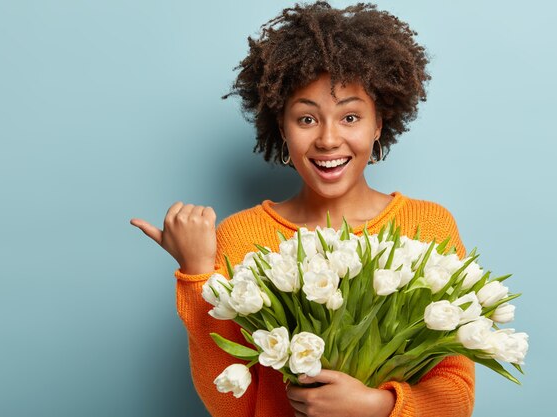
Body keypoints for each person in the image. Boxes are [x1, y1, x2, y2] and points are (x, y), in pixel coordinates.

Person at [130, 2, 474, 416]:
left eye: (350, 116)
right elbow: (231, 406)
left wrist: (377, 406)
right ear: (282, 128)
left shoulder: (427, 226)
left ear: (379, 123)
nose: (329, 140)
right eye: (307, 119)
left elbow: (457, 389)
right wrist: (199, 274)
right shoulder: (242, 237)